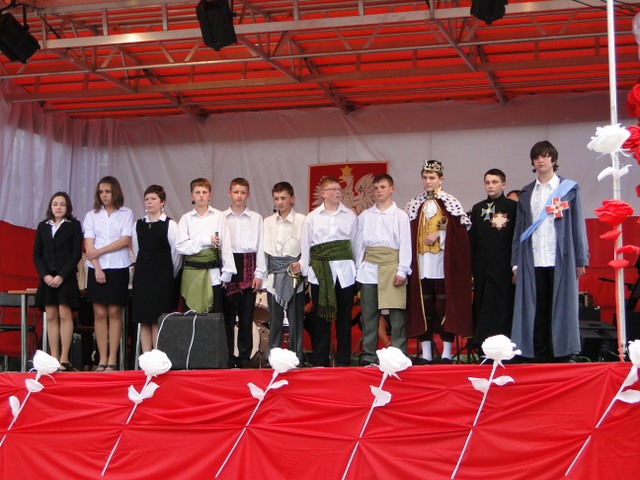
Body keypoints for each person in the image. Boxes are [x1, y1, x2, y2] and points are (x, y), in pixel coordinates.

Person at [511, 140, 589, 362]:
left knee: (562, 307)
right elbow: (519, 231)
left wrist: (581, 258)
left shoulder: (568, 189)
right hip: (532, 258)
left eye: (545, 156)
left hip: (561, 257)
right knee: (536, 307)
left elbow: (578, 226)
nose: (540, 160)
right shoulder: (526, 192)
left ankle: (562, 352)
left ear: (554, 159)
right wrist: (515, 263)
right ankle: (538, 352)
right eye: (536, 157)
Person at [405, 160, 472, 364]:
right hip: (421, 264)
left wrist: (440, 234)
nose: (428, 181)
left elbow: (461, 233)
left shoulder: (451, 202)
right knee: (424, 308)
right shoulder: (414, 204)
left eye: (432, 178)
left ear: (441, 179)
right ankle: (426, 353)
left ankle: (446, 353)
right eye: (425, 178)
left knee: (444, 307)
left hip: (442, 264)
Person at [354, 174, 411, 366]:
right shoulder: (365, 215)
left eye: (383, 187)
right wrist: (358, 268)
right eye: (376, 187)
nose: (379, 190)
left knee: (396, 314)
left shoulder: (400, 215)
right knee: (369, 314)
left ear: (391, 189)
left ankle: (399, 354)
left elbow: (405, 244)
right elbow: (359, 244)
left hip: (392, 265)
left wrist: (402, 270)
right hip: (370, 267)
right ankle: (369, 355)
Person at [300, 176, 357, 367]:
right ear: (323, 193)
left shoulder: (350, 215)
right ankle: (320, 360)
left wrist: (357, 269)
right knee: (321, 317)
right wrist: (306, 272)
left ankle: (344, 360)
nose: (337, 192)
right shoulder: (312, 217)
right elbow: (306, 246)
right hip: (320, 273)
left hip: (345, 273)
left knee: (344, 318)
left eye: (339, 189)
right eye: (332, 189)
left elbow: (356, 244)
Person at [83, 176, 134, 371]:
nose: (104, 195)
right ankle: (102, 359)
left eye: (108, 191)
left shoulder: (126, 213)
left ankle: (112, 359)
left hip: (119, 266)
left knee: (114, 312)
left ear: (115, 192)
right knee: (99, 313)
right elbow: (89, 245)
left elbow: (124, 240)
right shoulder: (92, 215)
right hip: (96, 268)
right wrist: (97, 267)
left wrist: (99, 252)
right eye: (101, 192)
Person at [33, 192, 83, 371]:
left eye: (62, 204)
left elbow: (76, 253)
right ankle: (53, 357)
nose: (58, 207)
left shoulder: (74, 225)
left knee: (64, 314)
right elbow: (37, 254)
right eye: (55, 204)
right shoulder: (43, 226)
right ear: (50, 206)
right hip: (47, 278)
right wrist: (45, 275)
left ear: (67, 207)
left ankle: (64, 358)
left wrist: (61, 275)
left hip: (66, 278)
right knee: (51, 315)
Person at [469, 169, 518, 349]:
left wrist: (516, 266)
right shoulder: (478, 208)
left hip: (504, 269)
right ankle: (483, 346)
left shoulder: (513, 208)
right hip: (482, 270)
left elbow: (517, 239)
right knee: (482, 307)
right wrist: (471, 270)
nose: (490, 186)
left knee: (503, 308)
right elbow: (472, 241)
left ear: (503, 184)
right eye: (487, 182)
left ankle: (505, 347)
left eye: (495, 182)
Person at [131, 185, 182, 353]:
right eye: (147, 199)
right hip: (143, 276)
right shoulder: (138, 224)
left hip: (162, 276)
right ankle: (146, 356)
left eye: (153, 199)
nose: (149, 202)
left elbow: (176, 255)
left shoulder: (170, 225)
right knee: (144, 318)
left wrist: (168, 275)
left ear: (162, 202)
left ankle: (157, 356)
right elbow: (137, 250)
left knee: (157, 318)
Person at [222, 178, 266, 368]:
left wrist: (259, 274)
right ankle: (228, 356)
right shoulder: (221, 217)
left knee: (246, 316)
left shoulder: (256, 218)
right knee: (227, 317)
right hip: (228, 266)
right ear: (229, 193)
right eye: (236, 192)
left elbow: (261, 246)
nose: (239, 196)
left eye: (242, 192)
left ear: (248, 195)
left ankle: (244, 357)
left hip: (249, 265)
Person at [176, 178, 235, 315]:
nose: (201, 195)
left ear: (210, 195)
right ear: (192, 195)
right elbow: (180, 246)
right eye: (197, 192)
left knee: (214, 316)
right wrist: (205, 241)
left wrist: (227, 271)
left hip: (213, 274)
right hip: (191, 273)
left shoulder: (218, 216)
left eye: (204, 192)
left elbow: (225, 244)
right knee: (191, 317)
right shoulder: (186, 219)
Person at [263, 181, 306, 364]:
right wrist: (262, 276)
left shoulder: (302, 220)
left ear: (292, 199)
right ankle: (273, 357)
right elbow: (263, 252)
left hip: (294, 275)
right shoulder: (268, 222)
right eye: (276, 198)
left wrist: (301, 264)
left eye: (283, 198)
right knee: (275, 320)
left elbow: (307, 248)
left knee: (296, 321)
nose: (279, 202)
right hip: (274, 275)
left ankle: (296, 357)